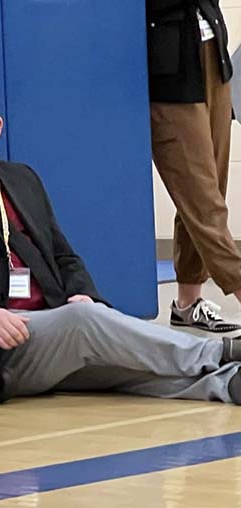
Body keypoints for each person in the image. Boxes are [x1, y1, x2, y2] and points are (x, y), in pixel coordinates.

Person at [0, 73, 241, 406]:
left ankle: (226, 384)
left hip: (54, 328)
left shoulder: (22, 178)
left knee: (131, 370)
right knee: (84, 322)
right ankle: (217, 353)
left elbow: (63, 256)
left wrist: (85, 295)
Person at [147, 0, 241, 332]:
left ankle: (188, 303)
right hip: (171, 71)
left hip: (213, 57)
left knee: (211, 188)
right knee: (202, 200)